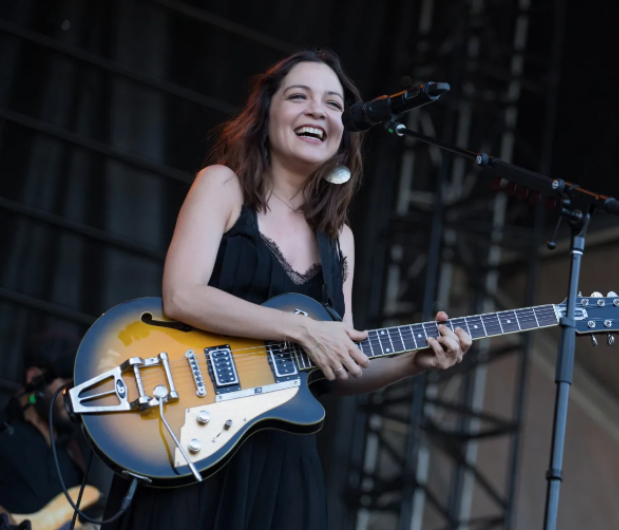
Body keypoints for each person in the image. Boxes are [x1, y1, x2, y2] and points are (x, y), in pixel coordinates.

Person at [103, 48, 472, 530]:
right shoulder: (222, 187)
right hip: (193, 433)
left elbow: (338, 365)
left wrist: (414, 361)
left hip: (283, 460)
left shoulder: (339, 238)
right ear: (267, 113)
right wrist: (300, 330)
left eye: (334, 104)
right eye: (299, 97)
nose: (318, 110)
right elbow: (182, 296)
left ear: (346, 130)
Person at [0, 332, 88, 527]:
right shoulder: (5, 429)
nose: (72, 396)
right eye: (67, 385)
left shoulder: (74, 449)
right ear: (34, 378)